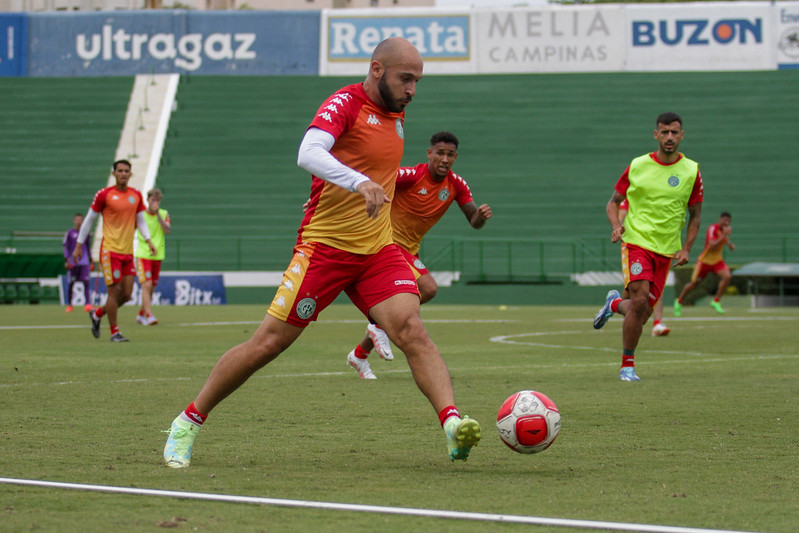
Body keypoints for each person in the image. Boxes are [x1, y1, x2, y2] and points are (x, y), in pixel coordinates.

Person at [163, 37, 482, 468]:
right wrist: (358, 182)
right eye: (406, 78)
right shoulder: (344, 103)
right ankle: (187, 422)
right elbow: (308, 152)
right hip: (325, 249)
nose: (412, 89)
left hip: (377, 250)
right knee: (267, 344)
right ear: (376, 69)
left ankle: (451, 425)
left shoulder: (398, 113)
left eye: (417, 81)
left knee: (412, 330)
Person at [346, 131, 493, 379]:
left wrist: (481, 215)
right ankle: (377, 324)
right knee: (427, 289)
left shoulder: (456, 185)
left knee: (408, 307)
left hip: (409, 250)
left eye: (450, 155)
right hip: (386, 243)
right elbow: (374, 182)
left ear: (455, 157)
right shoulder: (412, 175)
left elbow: (473, 221)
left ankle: (360, 353)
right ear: (429, 154)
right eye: (440, 153)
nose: (444, 159)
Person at [593, 112, 703, 381]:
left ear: (682, 136)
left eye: (674, 132)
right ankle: (627, 366)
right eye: (664, 132)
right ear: (656, 135)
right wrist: (616, 226)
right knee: (640, 300)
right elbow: (612, 202)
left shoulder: (691, 171)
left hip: (666, 250)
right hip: (637, 242)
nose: (669, 137)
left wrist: (686, 248)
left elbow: (695, 214)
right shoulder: (638, 165)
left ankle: (614, 304)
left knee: (640, 314)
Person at [73, 159, 157, 342]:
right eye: (120, 170)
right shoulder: (104, 195)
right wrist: (79, 245)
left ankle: (97, 314)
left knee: (126, 294)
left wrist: (149, 241)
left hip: (127, 252)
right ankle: (114, 332)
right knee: (114, 291)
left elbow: (140, 220)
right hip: (110, 251)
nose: (123, 174)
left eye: (126, 171)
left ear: (130, 174)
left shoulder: (135, 195)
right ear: (114, 173)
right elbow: (89, 220)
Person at [619, 199, 670, 337]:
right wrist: (621, 228)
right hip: (634, 248)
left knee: (657, 287)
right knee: (631, 292)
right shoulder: (631, 197)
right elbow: (620, 218)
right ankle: (615, 305)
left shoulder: (658, 197)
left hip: (656, 247)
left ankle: (657, 323)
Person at [674, 212, 735, 315]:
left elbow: (725, 239)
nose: (726, 224)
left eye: (728, 222)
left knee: (727, 276)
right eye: (725, 222)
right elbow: (711, 245)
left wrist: (730, 245)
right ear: (720, 220)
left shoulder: (724, 231)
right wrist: (724, 235)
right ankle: (679, 301)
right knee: (694, 284)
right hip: (705, 261)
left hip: (717, 261)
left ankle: (716, 301)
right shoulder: (713, 229)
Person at [135, 188, 171, 326]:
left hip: (158, 255)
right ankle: (149, 315)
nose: (155, 203)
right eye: (153, 200)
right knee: (146, 284)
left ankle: (141, 314)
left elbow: (167, 230)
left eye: (157, 200)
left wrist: (158, 215)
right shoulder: (141, 215)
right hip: (143, 253)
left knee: (152, 287)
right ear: (148, 200)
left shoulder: (163, 214)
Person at [62, 213, 94, 313]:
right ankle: (70, 305)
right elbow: (66, 247)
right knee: (71, 283)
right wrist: (67, 259)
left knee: (86, 283)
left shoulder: (86, 233)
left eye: (81, 220)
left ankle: (88, 304)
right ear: (74, 221)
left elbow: (88, 247)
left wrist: (91, 260)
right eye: (77, 220)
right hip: (73, 262)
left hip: (84, 262)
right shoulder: (70, 233)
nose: (79, 222)